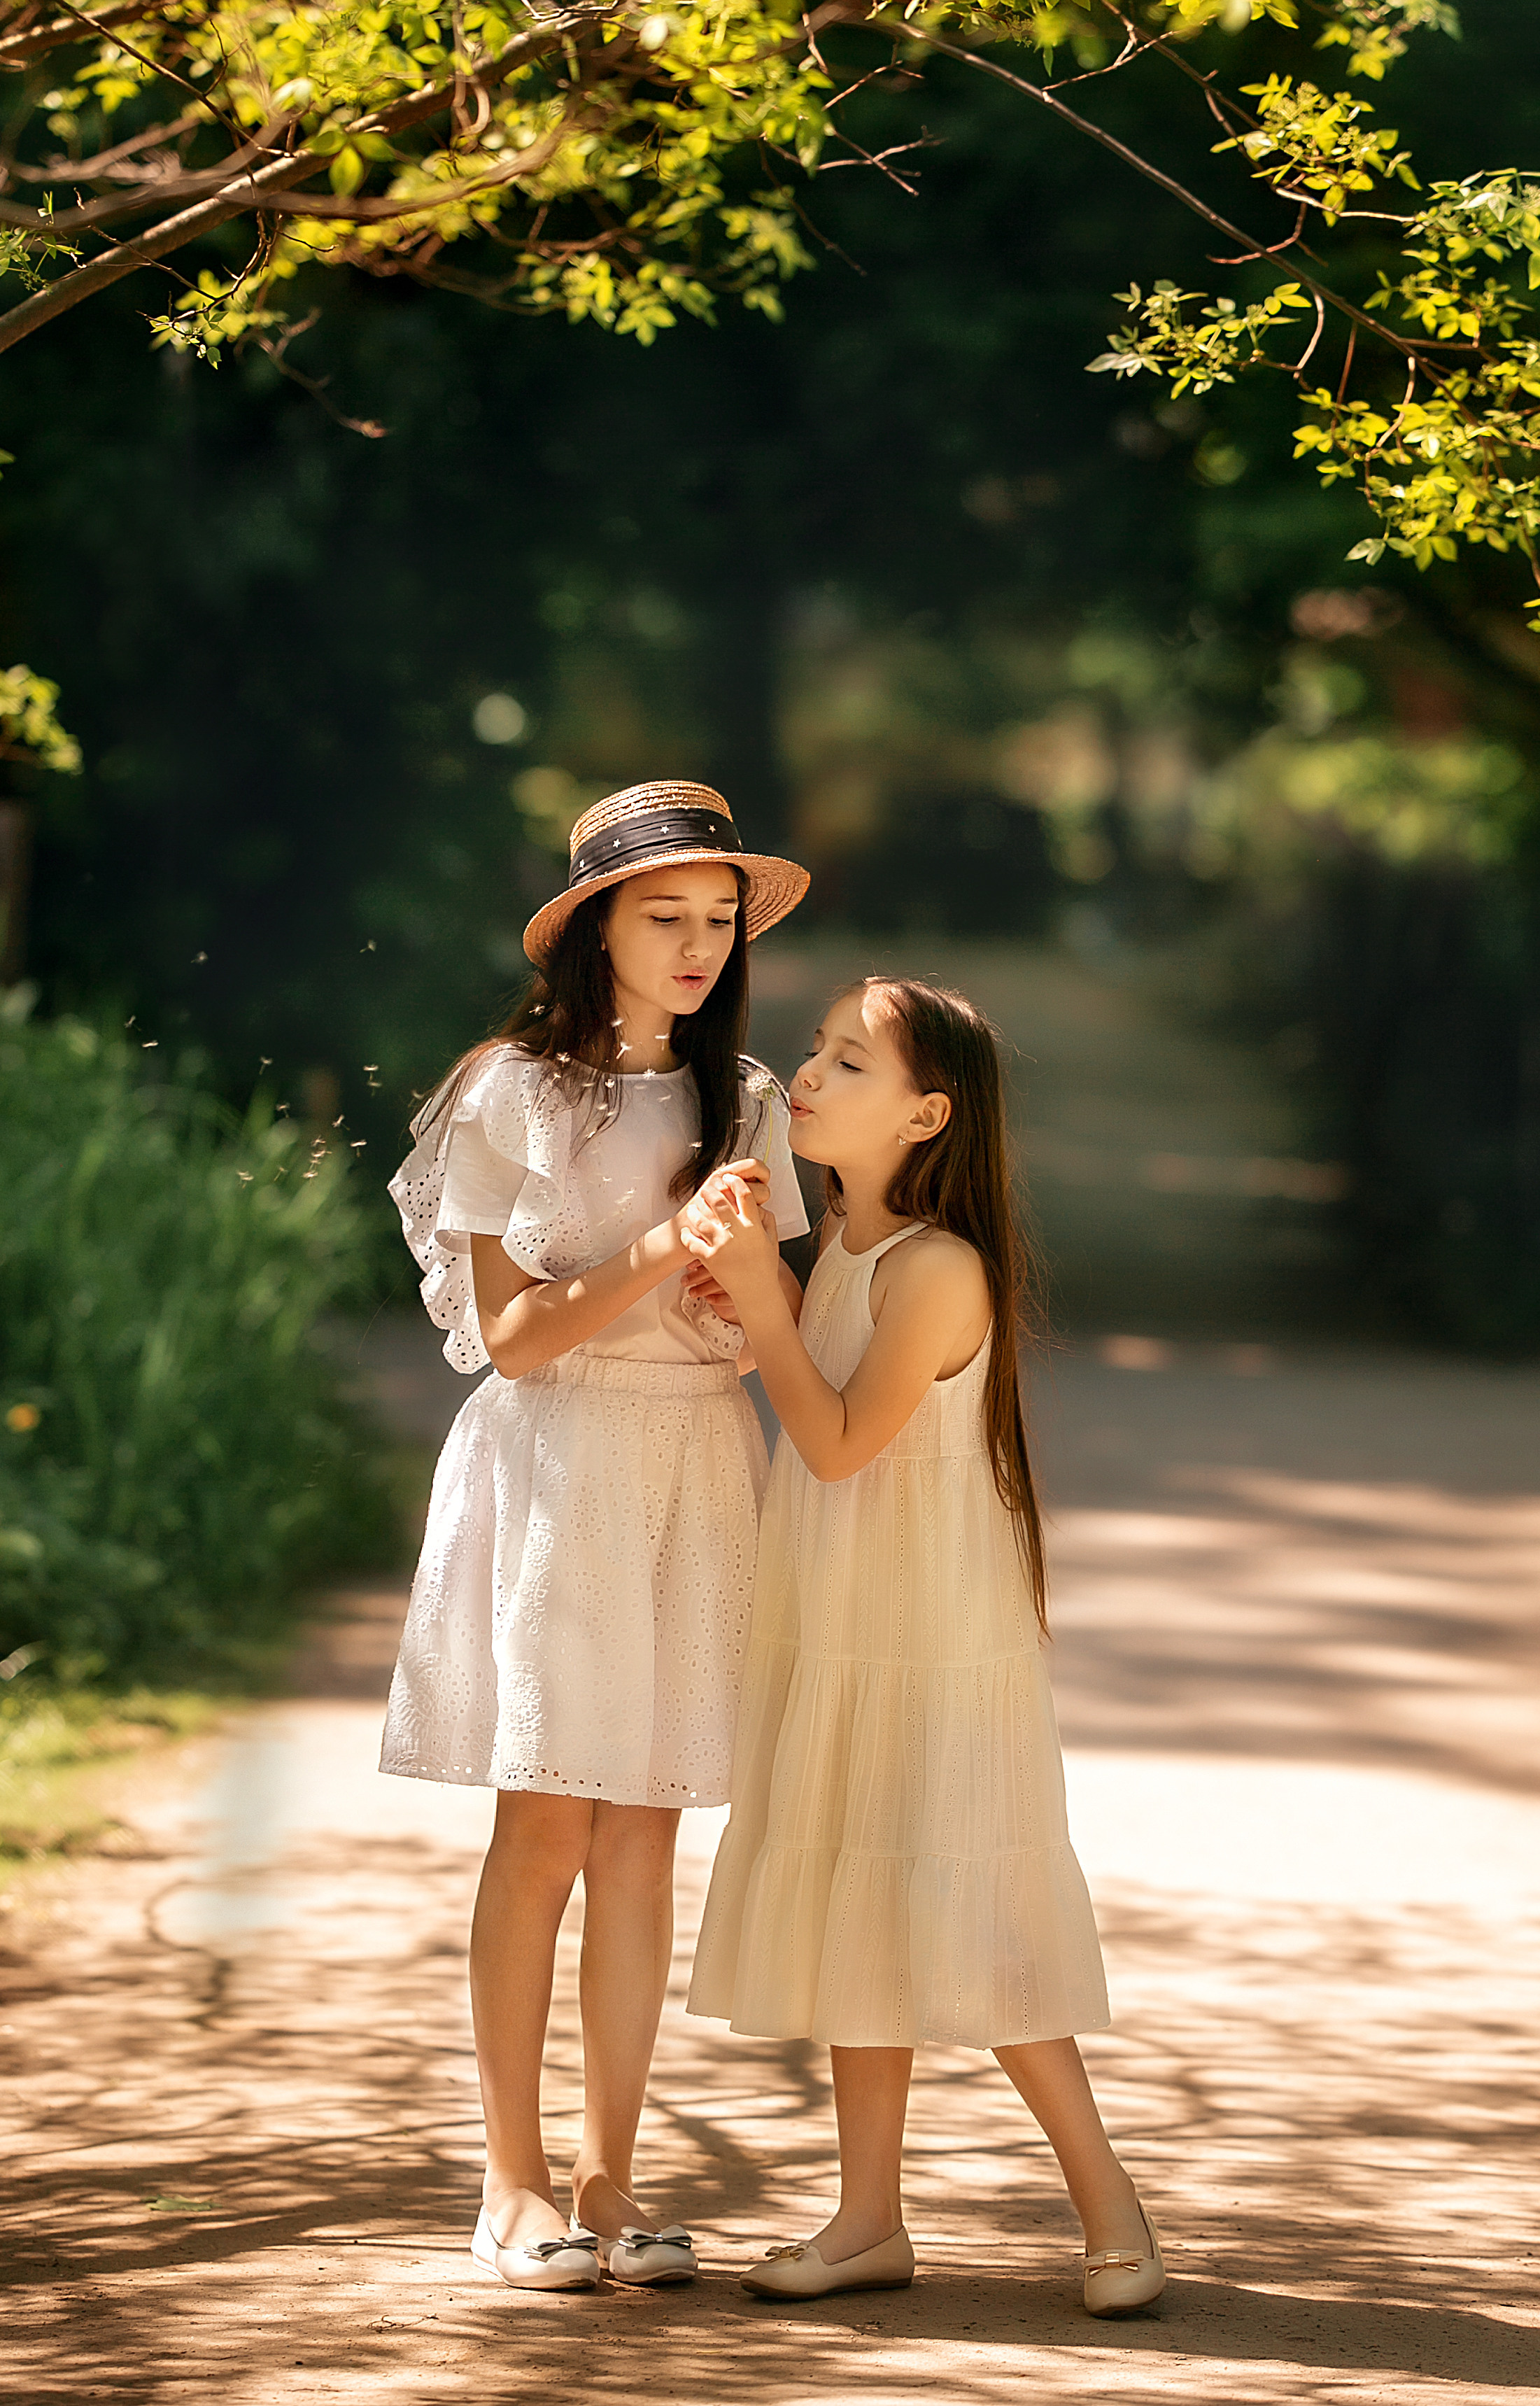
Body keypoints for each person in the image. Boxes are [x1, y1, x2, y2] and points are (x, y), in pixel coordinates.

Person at [379, 780, 810, 2295]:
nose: (697, 945)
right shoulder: (513, 1091)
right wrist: (653, 1256)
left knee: (644, 1838)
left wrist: (736, 1303)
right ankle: (505, 2186)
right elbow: (510, 1339)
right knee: (548, 1824)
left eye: (718, 918)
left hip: (699, 1461)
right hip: (560, 1466)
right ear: (592, 927)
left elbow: (771, 1329)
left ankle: (610, 2181)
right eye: (663, 915)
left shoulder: (746, 1100)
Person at [680, 975, 1164, 2317]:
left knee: (975, 1913)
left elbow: (836, 1445)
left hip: (930, 1639)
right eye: (818, 1052)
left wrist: (759, 1302)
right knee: (859, 1899)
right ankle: (867, 2217)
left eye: (849, 1062)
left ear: (927, 1114)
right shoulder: (842, 1243)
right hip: (841, 1624)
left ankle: (1113, 2209)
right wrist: (754, 1295)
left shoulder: (938, 1268)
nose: (811, 1078)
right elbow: (804, 1385)